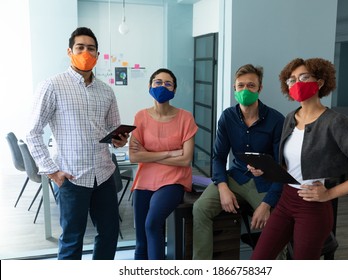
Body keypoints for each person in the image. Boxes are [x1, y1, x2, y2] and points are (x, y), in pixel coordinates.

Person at [251, 57, 348, 260]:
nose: (297, 84)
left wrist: (329, 194)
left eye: (304, 77)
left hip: (313, 208)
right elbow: (292, 165)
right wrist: (266, 169)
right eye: (292, 80)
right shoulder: (290, 118)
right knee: (258, 261)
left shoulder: (335, 122)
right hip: (285, 200)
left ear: (320, 82)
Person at [26, 27, 129, 260]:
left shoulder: (106, 91)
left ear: (97, 54)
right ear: (69, 51)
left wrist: (119, 140)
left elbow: (113, 131)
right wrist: (52, 172)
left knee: (109, 233)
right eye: (80, 47)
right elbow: (32, 132)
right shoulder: (52, 86)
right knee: (73, 239)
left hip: (104, 175)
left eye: (90, 48)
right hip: (72, 177)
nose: (85, 52)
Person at [192, 64, 285, 259]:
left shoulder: (276, 120)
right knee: (200, 208)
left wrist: (267, 204)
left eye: (251, 85)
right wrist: (223, 188)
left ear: (260, 89)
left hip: (264, 182)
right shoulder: (227, 117)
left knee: (278, 223)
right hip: (235, 177)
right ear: (234, 89)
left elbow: (280, 167)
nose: (245, 90)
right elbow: (218, 157)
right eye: (240, 85)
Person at [129, 68, 198, 260]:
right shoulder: (140, 117)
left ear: (174, 90)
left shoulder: (185, 117)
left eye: (168, 83)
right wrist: (169, 152)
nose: (162, 86)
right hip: (145, 180)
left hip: (174, 180)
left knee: (152, 224)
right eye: (158, 82)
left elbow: (185, 159)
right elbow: (134, 157)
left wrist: (149, 154)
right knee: (141, 240)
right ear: (150, 86)